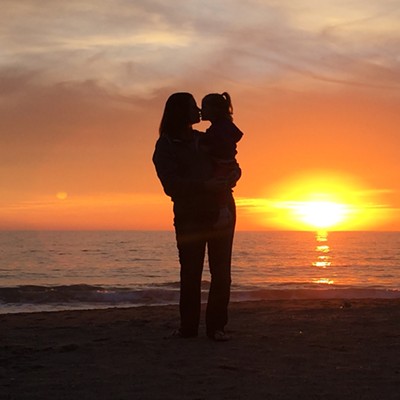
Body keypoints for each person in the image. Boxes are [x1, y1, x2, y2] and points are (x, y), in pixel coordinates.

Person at [152, 92, 241, 341]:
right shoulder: (166, 146)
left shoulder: (207, 139)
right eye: (193, 107)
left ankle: (216, 328)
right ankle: (188, 328)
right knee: (191, 273)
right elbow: (171, 185)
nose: (199, 111)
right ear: (181, 112)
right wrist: (206, 186)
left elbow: (231, 162)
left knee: (221, 272)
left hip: (221, 210)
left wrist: (233, 175)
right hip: (190, 215)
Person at [200, 92, 243, 229]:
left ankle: (223, 212)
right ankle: (223, 212)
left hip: (223, 162)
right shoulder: (220, 127)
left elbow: (222, 145)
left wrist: (207, 149)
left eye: (204, 107)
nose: (201, 110)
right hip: (225, 162)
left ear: (215, 110)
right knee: (222, 184)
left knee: (220, 184)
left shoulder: (221, 128)